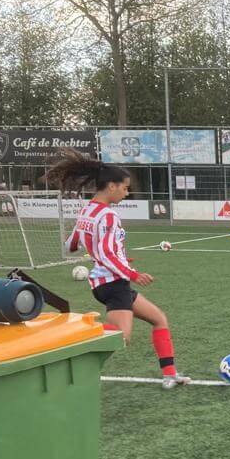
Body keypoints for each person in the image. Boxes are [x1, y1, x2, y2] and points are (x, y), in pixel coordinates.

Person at [45, 150, 191, 390]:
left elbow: (70, 245)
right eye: (124, 188)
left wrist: (113, 256)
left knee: (159, 319)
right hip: (113, 282)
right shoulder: (108, 215)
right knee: (121, 336)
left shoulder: (87, 211)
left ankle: (170, 375)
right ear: (111, 186)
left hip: (105, 282)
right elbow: (106, 253)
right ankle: (72, 334)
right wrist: (133, 273)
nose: (127, 193)